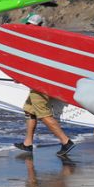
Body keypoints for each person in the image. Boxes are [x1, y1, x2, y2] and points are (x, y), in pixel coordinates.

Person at [14, 15, 76, 156]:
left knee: (43, 114)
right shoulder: (45, 39)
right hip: (40, 81)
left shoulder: (37, 41)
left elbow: (37, 64)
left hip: (40, 83)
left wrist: (21, 76)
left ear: (37, 25)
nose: (27, 27)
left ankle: (66, 142)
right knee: (30, 110)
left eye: (29, 25)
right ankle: (27, 143)